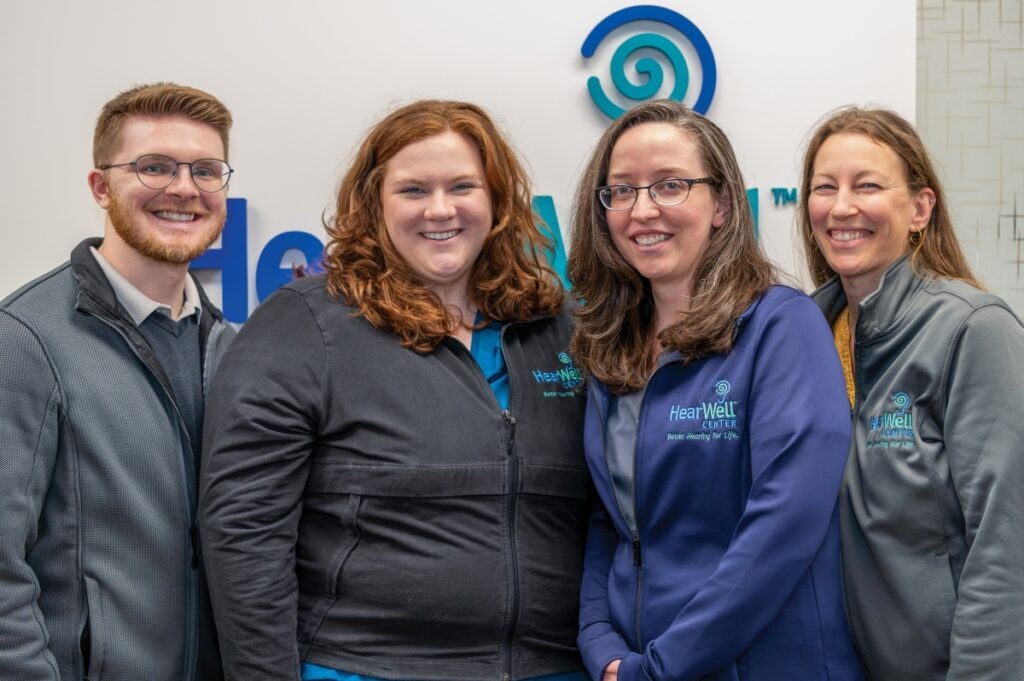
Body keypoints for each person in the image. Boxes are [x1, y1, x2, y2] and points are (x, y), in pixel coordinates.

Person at [199, 100, 591, 681]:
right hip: (366, 666)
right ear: (374, 205)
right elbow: (243, 530)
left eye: (462, 186)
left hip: (555, 667)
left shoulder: (560, 326)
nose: (440, 209)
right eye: (412, 190)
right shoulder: (305, 327)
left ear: (498, 201)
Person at [568, 99, 863, 681]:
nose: (642, 209)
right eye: (621, 190)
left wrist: (662, 667)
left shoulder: (781, 326)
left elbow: (784, 527)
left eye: (670, 185)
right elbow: (611, 521)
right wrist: (599, 644)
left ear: (723, 204)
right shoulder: (611, 348)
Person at [0, 82, 235, 680]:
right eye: (154, 167)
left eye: (206, 171)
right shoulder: (24, 338)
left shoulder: (231, 345)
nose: (184, 189)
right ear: (101, 187)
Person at [799, 106, 1024, 680]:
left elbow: (1006, 540)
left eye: (867, 185)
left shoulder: (973, 329)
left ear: (920, 208)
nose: (842, 207)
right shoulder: (800, 336)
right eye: (825, 188)